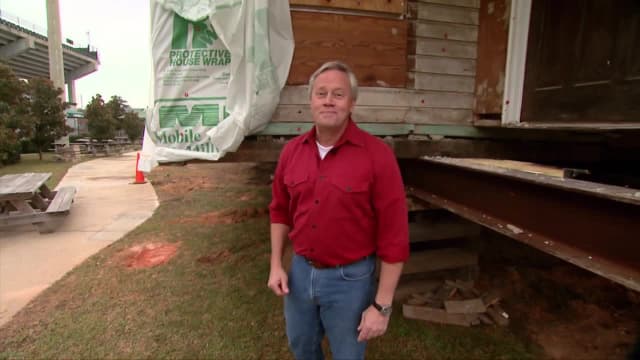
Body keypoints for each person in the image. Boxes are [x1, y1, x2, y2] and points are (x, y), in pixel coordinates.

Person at [267, 60, 410, 360]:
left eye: (338, 94)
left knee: (347, 355)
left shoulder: (377, 156)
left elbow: (394, 236)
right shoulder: (291, 152)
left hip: (351, 280)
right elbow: (280, 211)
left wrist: (382, 306)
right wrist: (276, 265)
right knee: (302, 347)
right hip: (300, 274)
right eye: (321, 93)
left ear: (352, 103)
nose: (328, 101)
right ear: (311, 101)